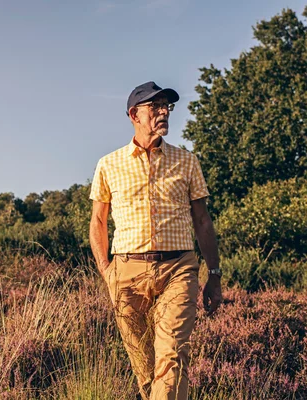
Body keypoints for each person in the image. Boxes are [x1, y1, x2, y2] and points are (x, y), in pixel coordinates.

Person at [89, 81, 223, 400]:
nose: (164, 112)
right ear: (135, 114)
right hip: (126, 274)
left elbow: (202, 220)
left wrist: (214, 275)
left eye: (167, 106)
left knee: (172, 356)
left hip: (178, 270)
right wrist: (107, 271)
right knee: (145, 367)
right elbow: (97, 221)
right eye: (156, 107)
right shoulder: (108, 164)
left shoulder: (187, 161)